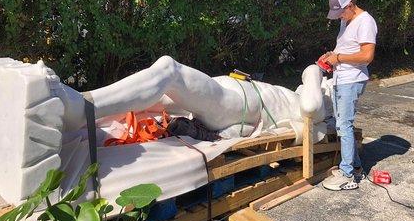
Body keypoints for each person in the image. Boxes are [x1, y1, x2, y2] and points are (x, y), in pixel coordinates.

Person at [55, 56, 333, 142]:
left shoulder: (316, 106)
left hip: (242, 104)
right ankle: (74, 120)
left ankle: (80, 107)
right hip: (238, 96)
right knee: (150, 98)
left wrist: (315, 73)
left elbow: (310, 105)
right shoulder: (301, 95)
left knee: (169, 71)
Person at [320, 0, 377, 191]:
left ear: (350, 5)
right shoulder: (347, 20)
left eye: (341, 13)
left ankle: (348, 175)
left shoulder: (366, 22)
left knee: (344, 125)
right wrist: (331, 56)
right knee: (342, 125)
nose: (339, 18)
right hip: (340, 78)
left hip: (352, 80)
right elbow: (344, 47)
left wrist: (340, 58)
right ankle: (356, 166)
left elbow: (367, 56)